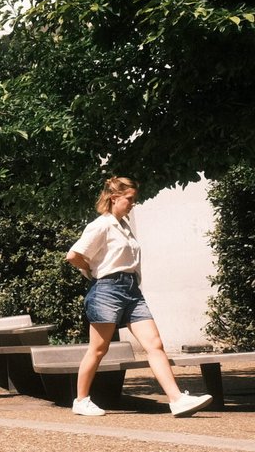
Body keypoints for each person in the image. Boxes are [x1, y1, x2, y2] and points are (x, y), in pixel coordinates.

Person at [64, 177, 212, 418]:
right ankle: (81, 400)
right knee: (98, 350)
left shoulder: (124, 226)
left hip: (132, 290)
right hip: (107, 289)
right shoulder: (101, 225)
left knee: (154, 344)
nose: (133, 204)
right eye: (129, 199)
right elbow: (74, 255)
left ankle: (176, 399)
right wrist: (92, 272)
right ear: (114, 198)